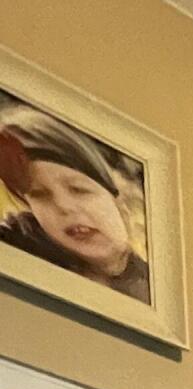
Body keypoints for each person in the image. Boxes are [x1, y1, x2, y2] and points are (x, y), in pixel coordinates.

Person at [0, 103, 150, 301]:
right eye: (39, 195)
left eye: (79, 190)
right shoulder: (18, 253)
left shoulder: (149, 285)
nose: (64, 207)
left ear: (118, 200)